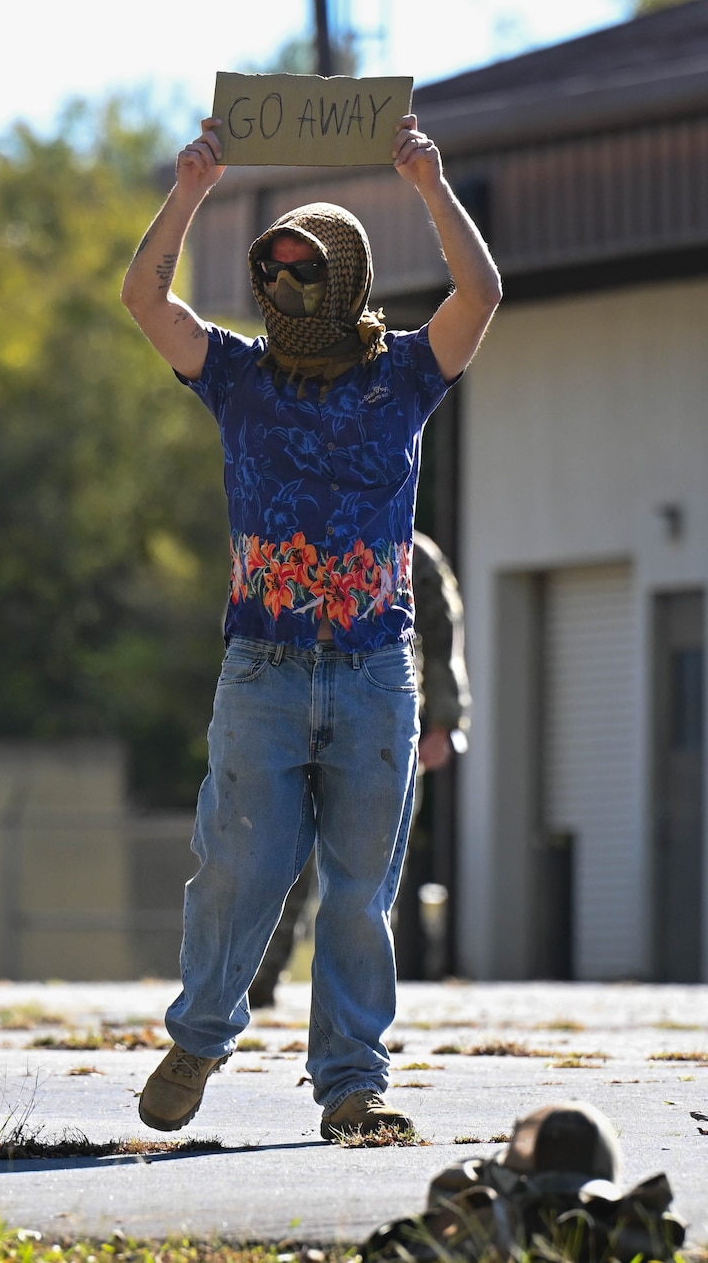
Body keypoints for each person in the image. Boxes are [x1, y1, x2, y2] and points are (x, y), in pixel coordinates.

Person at [118, 113, 500, 1141]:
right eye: (269, 268)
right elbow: (144, 301)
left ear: (342, 280)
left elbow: (481, 295)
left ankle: (350, 1087)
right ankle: (198, 1036)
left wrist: (428, 182)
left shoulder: (404, 377)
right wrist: (192, 188)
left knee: (356, 895)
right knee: (238, 866)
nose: (279, 286)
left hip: (376, 672)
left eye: (300, 270)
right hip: (264, 672)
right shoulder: (236, 377)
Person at [247, 528, 471, 1010]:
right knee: (282, 855)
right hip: (295, 714)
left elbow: (442, 627)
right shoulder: (295, 533)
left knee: (370, 869)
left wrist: (445, 720)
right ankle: (258, 980)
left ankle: (353, 1003)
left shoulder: (410, 548)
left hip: (382, 722)